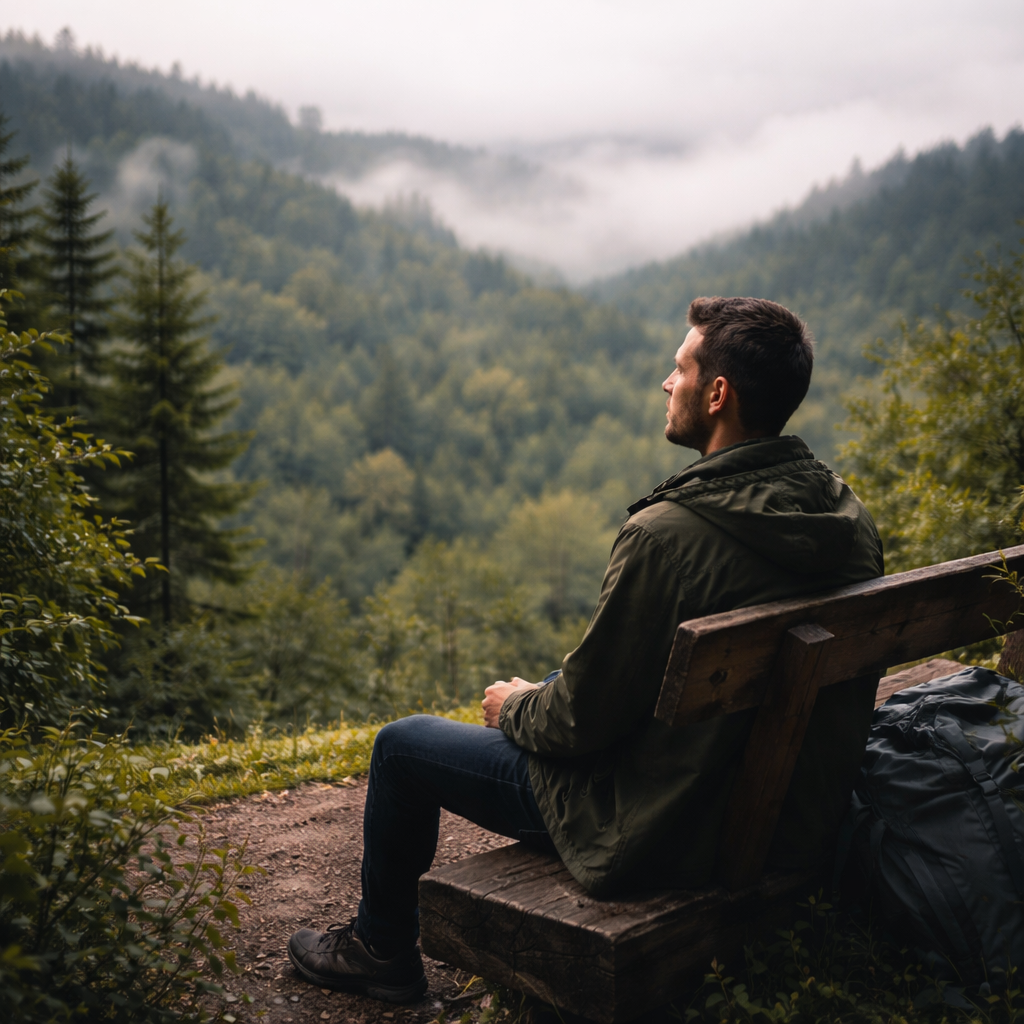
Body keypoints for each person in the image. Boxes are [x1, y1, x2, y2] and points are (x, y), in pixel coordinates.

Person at [286, 296, 884, 1003]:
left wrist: (513, 709)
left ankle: (381, 949)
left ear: (718, 394)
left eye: (679, 369)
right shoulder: (844, 516)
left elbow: (578, 723)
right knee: (550, 685)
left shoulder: (666, 536)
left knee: (403, 746)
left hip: (667, 824)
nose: (667, 384)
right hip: (789, 814)